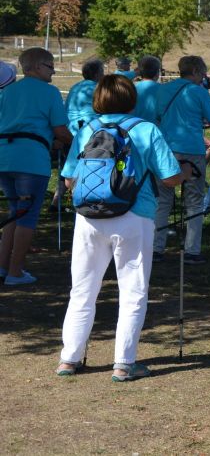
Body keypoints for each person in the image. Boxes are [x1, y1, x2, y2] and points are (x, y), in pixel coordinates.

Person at [56, 74, 185, 380]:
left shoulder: (87, 129)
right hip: (134, 215)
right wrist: (188, 172)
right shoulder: (146, 129)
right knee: (133, 290)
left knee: (82, 289)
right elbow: (170, 177)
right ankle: (124, 363)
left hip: (89, 217)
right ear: (131, 99)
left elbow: (69, 179)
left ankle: (68, 359)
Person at [0, 48, 72, 284]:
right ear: (38, 66)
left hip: (5, 157)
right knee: (27, 217)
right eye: (51, 66)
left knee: (14, 213)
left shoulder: (8, 91)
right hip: (31, 159)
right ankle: (16, 271)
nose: (54, 71)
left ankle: (3, 267)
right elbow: (60, 130)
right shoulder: (50, 92)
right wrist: (74, 144)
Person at [152, 55, 210, 264]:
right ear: (195, 71)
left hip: (166, 150)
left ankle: (156, 248)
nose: (204, 77)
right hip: (192, 151)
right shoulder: (199, 92)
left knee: (163, 200)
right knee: (194, 201)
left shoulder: (163, 90)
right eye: (203, 73)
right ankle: (192, 250)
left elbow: (157, 116)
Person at [65, 59, 104, 135]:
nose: (103, 75)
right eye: (102, 72)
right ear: (96, 75)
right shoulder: (97, 88)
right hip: (86, 130)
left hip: (70, 128)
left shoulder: (75, 86)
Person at [132, 56, 162, 123]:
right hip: (156, 128)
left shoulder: (131, 89)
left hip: (135, 127)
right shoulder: (164, 90)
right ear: (157, 72)